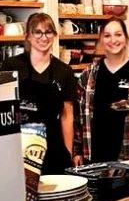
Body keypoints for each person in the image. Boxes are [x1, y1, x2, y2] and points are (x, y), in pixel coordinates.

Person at [1, 13, 77, 174]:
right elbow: (4, 110)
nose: (44, 37)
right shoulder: (11, 66)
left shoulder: (64, 71)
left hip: (53, 148)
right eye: (38, 32)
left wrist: (68, 152)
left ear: (54, 35)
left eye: (48, 32)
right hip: (19, 148)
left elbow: (67, 114)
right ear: (28, 36)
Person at [74, 16, 129, 164]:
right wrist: (77, 150)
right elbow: (78, 116)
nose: (113, 40)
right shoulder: (88, 74)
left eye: (118, 34)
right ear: (101, 40)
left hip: (127, 158)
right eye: (107, 35)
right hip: (93, 156)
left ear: (126, 38)